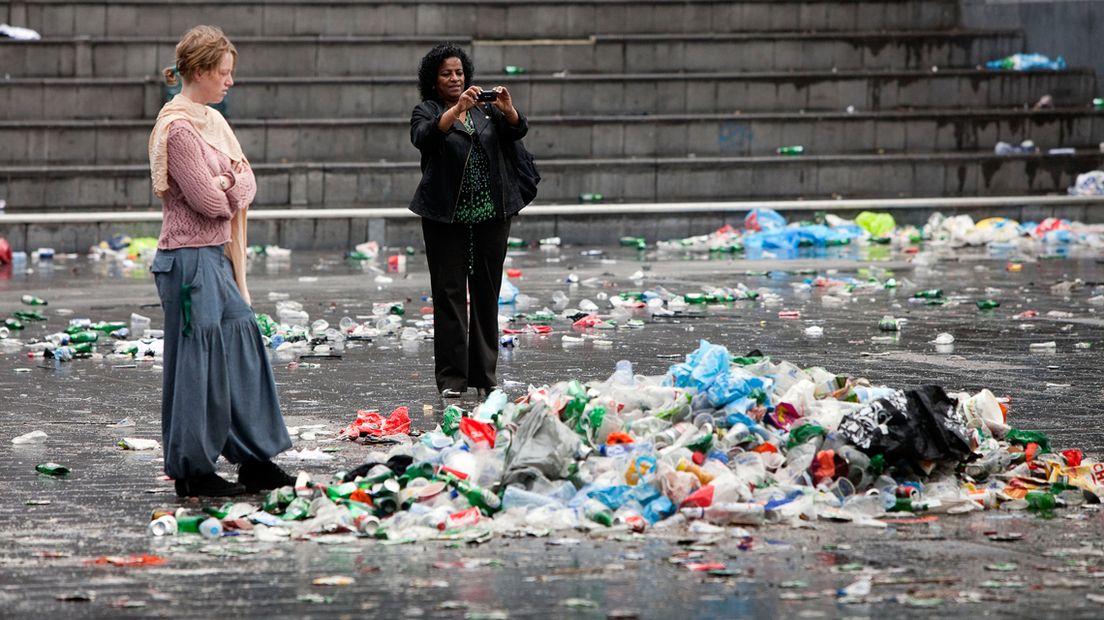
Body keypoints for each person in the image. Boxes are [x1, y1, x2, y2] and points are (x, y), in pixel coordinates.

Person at [147, 25, 293, 497]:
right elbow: (211, 202)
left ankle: (253, 458)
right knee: (197, 365)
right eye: (225, 73)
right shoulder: (179, 128)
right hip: (188, 260)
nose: (230, 81)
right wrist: (228, 184)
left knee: (243, 347)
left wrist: (228, 183)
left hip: (215, 258)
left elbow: (247, 183)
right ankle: (192, 469)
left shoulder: (214, 124)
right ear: (203, 71)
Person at [409, 43, 529, 399]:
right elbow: (425, 136)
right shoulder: (427, 110)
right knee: (449, 297)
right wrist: (456, 110)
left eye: (459, 73)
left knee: (486, 293)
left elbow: (517, 132)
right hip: (446, 217)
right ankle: (452, 379)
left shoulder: (486, 112)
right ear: (433, 79)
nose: (454, 78)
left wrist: (508, 111)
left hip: (491, 215)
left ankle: (484, 375)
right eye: (446, 73)